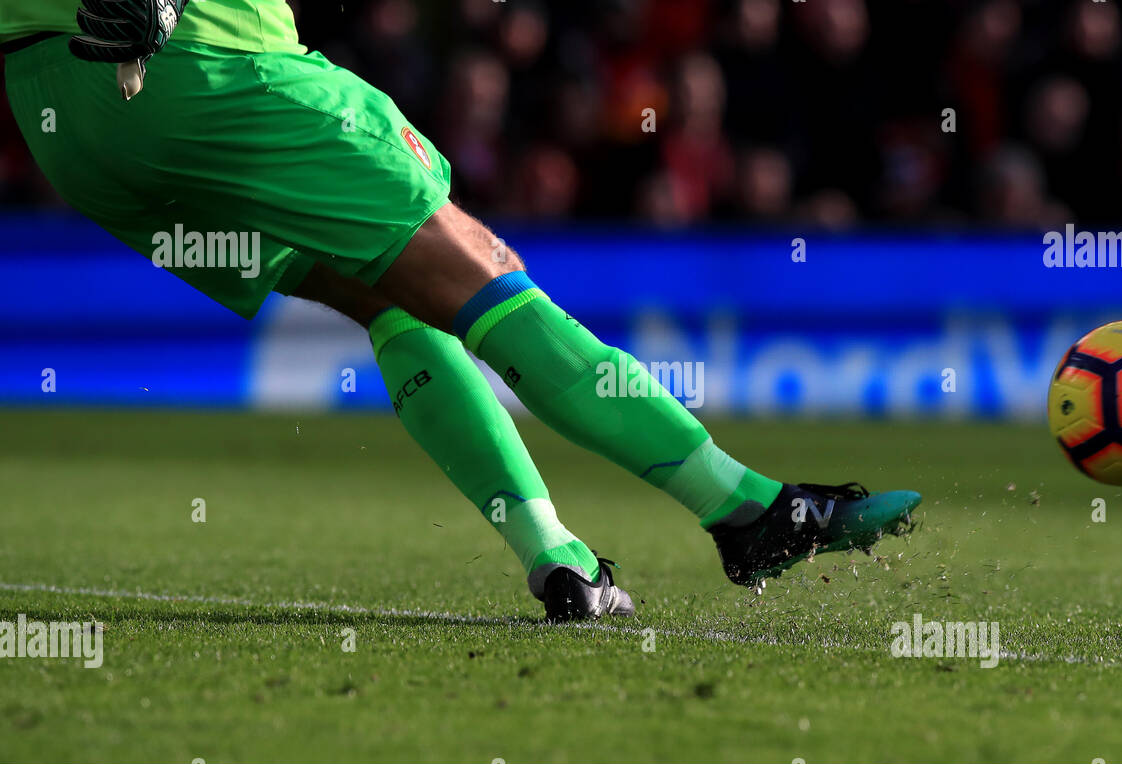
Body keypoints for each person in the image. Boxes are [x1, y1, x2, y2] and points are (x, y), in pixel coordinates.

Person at [0, 0, 920, 620]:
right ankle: (747, 510)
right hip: (199, 58)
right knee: (477, 267)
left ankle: (555, 556)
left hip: (64, 118)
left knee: (384, 294)